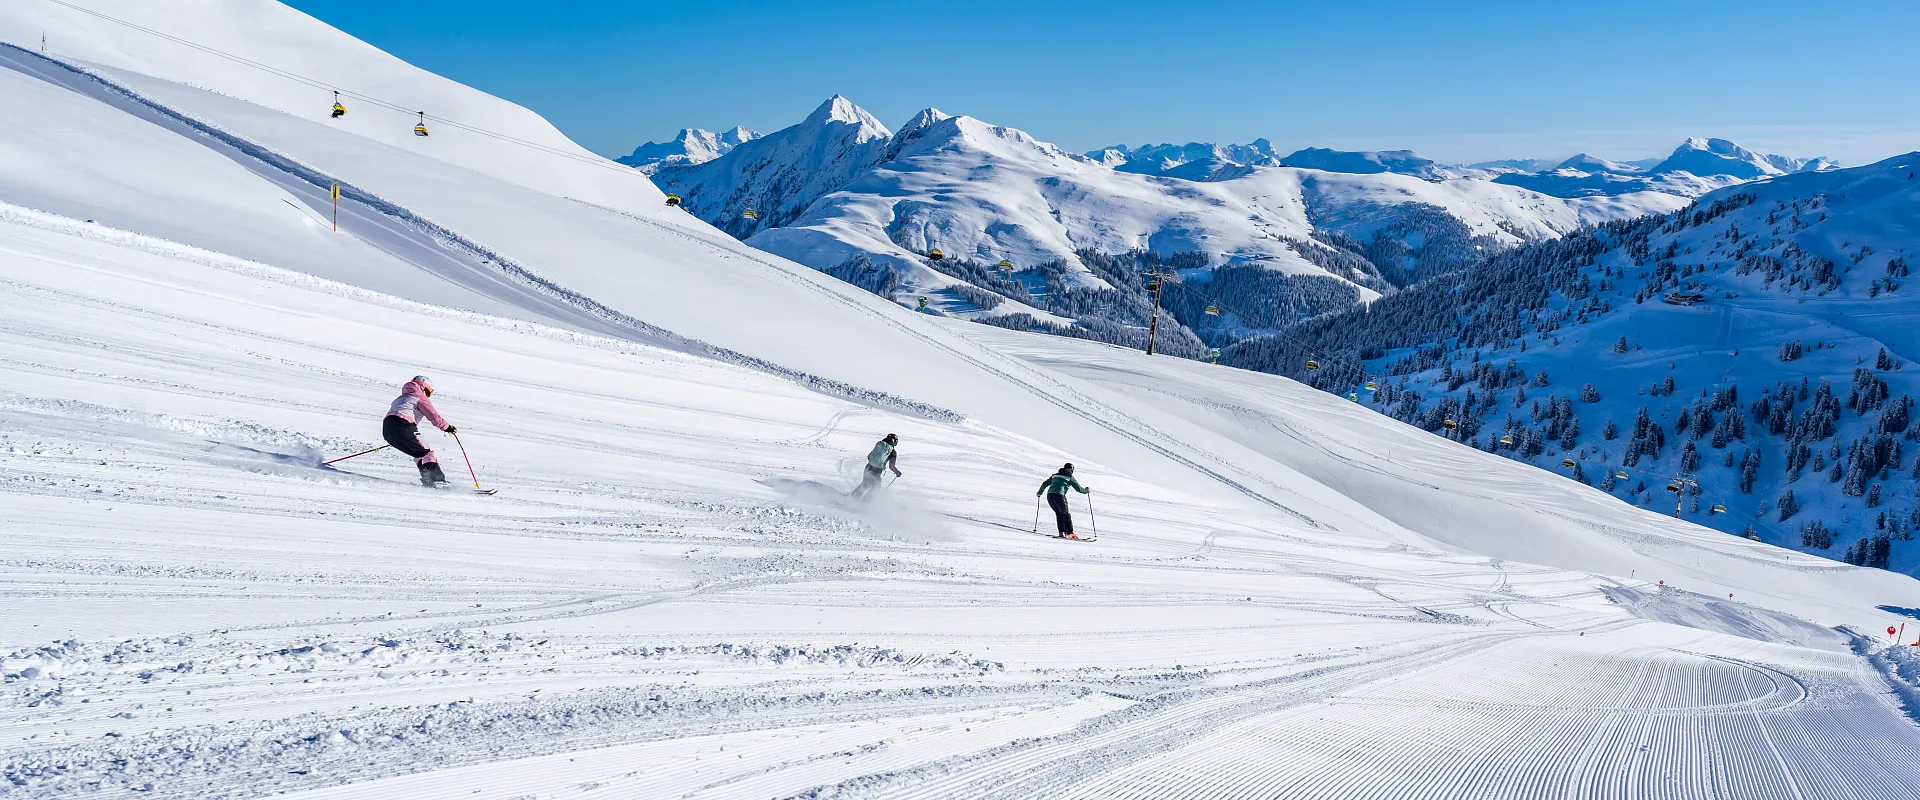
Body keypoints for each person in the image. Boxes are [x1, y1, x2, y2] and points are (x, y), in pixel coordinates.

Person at [383, 376, 457, 487]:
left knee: (419, 453)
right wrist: (448, 428)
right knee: (426, 453)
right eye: (428, 393)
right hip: (403, 426)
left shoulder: (402, 397)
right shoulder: (419, 397)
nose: (428, 396)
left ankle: (428, 479)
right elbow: (434, 417)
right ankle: (437, 481)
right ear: (425, 389)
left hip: (387, 430)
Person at [1036, 463, 1089, 538]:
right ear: (1072, 470)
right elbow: (1079, 489)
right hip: (1059, 495)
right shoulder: (1069, 477)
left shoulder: (1055, 475)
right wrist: (1086, 490)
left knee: (1059, 513)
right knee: (1066, 514)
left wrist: (1039, 493)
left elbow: (1045, 484)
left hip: (1050, 496)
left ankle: (1062, 532)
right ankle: (1070, 534)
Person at [851, 434, 902, 499]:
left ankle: (852, 497)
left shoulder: (880, 444)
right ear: (894, 441)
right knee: (876, 488)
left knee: (865, 484)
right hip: (877, 471)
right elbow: (891, 466)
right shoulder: (892, 452)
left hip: (868, 467)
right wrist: (897, 472)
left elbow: (870, 456)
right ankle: (865, 503)